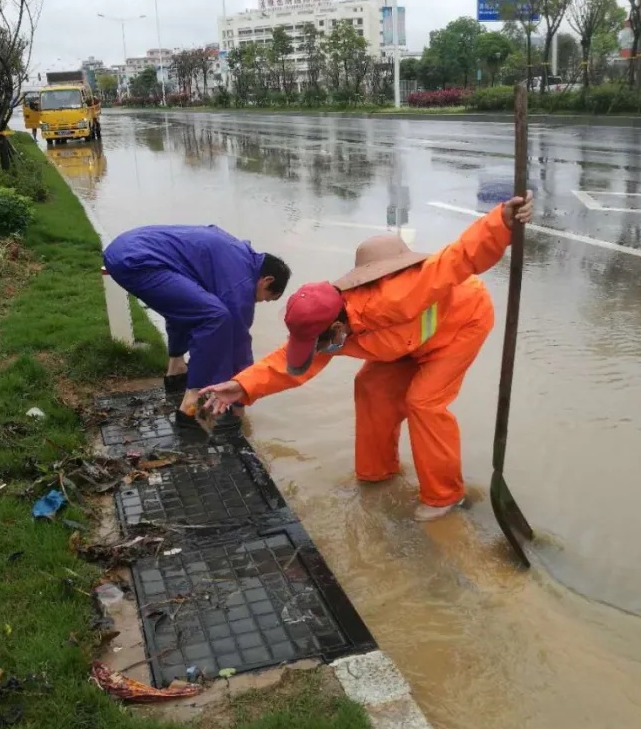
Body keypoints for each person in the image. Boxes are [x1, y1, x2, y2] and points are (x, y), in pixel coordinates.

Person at [202, 193, 533, 521]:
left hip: (459, 324)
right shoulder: (326, 326)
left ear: (336, 326)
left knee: (423, 402)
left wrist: (501, 221)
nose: (320, 348)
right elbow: (289, 364)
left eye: (321, 341)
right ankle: (378, 475)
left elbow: (458, 258)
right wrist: (240, 386)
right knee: (371, 386)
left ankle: (445, 497)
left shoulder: (397, 296)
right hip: (407, 343)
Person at [102, 224, 291, 420]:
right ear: (266, 280)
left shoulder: (239, 257)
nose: (258, 302)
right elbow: (239, 346)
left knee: (193, 307)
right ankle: (191, 400)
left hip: (124, 249)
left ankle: (176, 368)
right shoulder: (241, 285)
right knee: (215, 316)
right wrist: (240, 399)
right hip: (137, 262)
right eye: (265, 298)